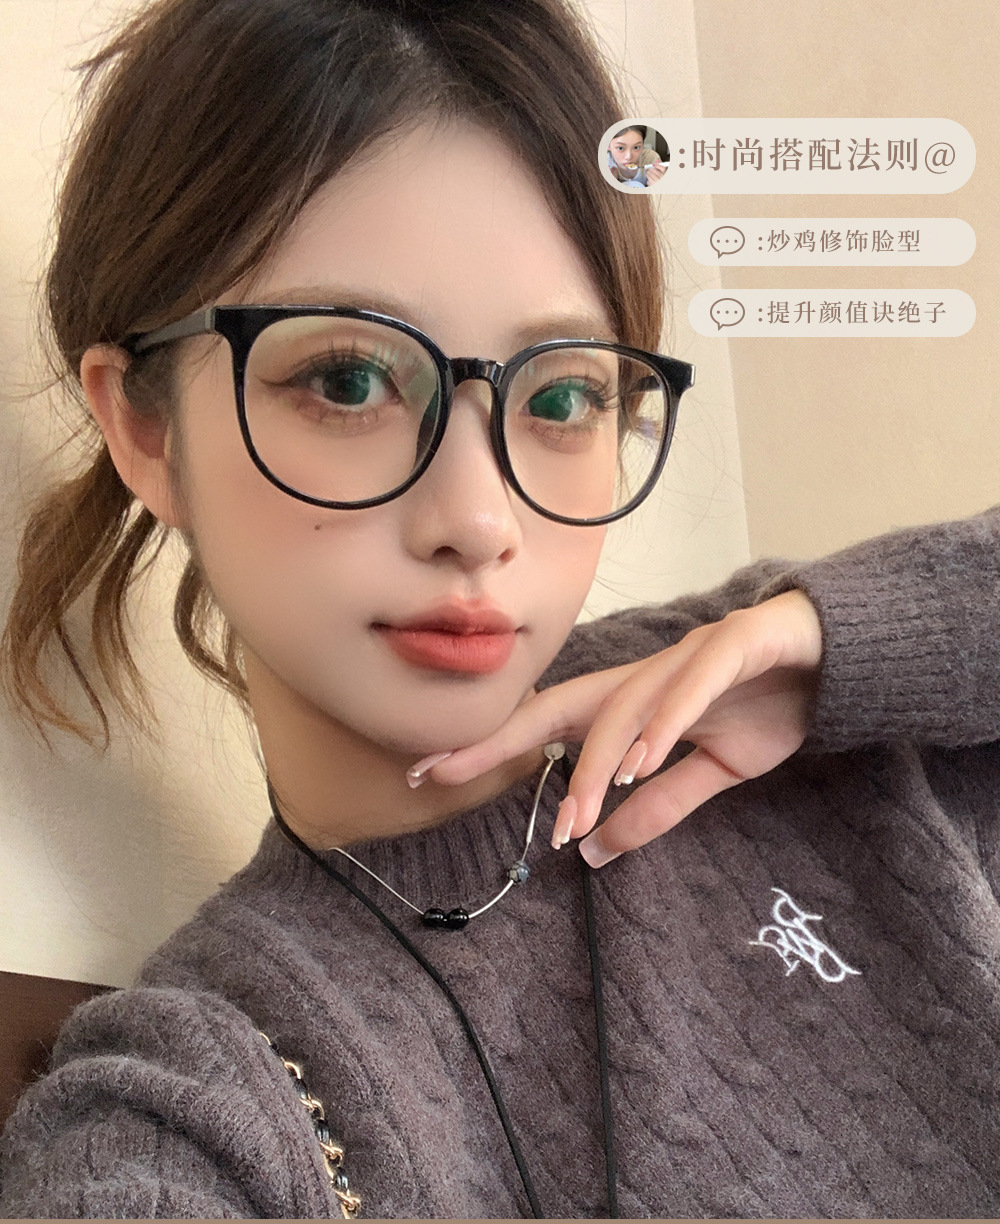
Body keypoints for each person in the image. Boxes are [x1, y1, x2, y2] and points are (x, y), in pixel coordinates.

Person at [2, 0, 1000, 1218]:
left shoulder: (805, 701)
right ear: (144, 431)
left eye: (564, 396)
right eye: (348, 380)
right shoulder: (199, 1086)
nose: (479, 520)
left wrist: (862, 646)